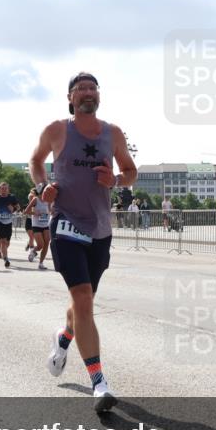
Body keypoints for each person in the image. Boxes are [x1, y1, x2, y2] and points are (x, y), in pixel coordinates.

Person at [29, 71, 138, 412]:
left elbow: (131, 171)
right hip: (65, 224)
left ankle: (63, 339)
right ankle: (99, 382)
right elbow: (35, 160)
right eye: (81, 89)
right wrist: (41, 186)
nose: (88, 92)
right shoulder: (57, 130)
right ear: (71, 98)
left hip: (100, 230)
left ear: (99, 96)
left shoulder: (113, 133)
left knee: (83, 303)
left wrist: (116, 180)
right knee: (84, 299)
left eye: (93, 88)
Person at [0, 182, 21, 268]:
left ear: (8, 189)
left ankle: (2, 251)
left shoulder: (12, 198)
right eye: (2, 189)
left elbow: (18, 207)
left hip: (8, 222)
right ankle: (5, 258)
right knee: (2, 240)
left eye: (5, 188)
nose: (3, 190)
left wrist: (13, 209)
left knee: (7, 242)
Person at [24, 188, 52, 269]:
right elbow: (26, 211)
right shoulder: (35, 199)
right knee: (40, 245)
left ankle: (41, 263)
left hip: (46, 224)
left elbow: (51, 210)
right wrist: (35, 213)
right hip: (36, 225)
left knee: (47, 242)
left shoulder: (49, 200)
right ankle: (33, 251)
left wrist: (51, 212)